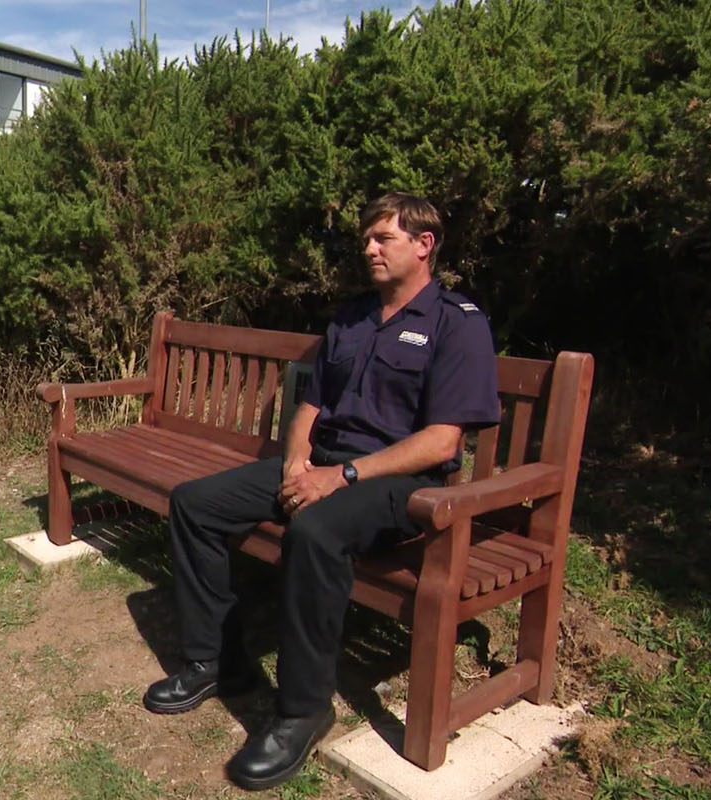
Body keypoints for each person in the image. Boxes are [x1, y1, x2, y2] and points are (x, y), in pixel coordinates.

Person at [142, 192, 501, 791]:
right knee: (195, 503)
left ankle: (304, 709)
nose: (369, 248)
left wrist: (342, 477)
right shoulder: (354, 316)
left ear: (423, 244)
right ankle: (215, 662)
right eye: (367, 237)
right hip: (324, 464)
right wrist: (297, 459)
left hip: (399, 484)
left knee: (314, 531)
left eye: (382, 238)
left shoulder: (456, 323)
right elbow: (313, 400)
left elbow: (441, 442)